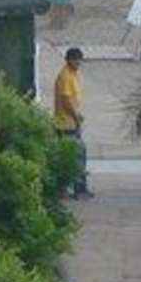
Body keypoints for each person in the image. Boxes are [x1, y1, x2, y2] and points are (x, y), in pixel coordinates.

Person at [51, 46, 90, 197]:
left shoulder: (72, 74)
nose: (78, 62)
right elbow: (65, 100)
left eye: (79, 60)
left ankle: (72, 187)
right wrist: (75, 117)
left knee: (75, 154)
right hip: (66, 123)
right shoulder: (66, 76)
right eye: (75, 60)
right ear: (68, 60)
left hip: (70, 121)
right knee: (77, 155)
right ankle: (78, 188)